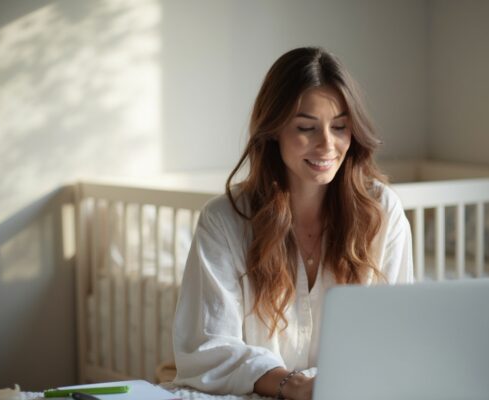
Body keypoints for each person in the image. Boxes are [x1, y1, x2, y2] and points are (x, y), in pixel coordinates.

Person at [172, 46, 413, 400]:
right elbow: (207, 348)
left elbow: (397, 333)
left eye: (341, 127)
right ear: (273, 131)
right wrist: (293, 384)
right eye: (306, 128)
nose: (327, 145)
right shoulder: (224, 220)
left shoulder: (381, 211)